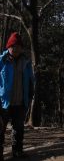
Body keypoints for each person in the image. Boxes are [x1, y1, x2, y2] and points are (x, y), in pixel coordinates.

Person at [0, 32, 35, 160]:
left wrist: (31, 93)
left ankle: (17, 151)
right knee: (0, 129)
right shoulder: (1, 61)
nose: (15, 49)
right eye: (13, 46)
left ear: (21, 48)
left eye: (18, 46)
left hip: (20, 102)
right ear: (8, 47)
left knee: (18, 129)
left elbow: (31, 79)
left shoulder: (26, 62)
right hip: (3, 102)